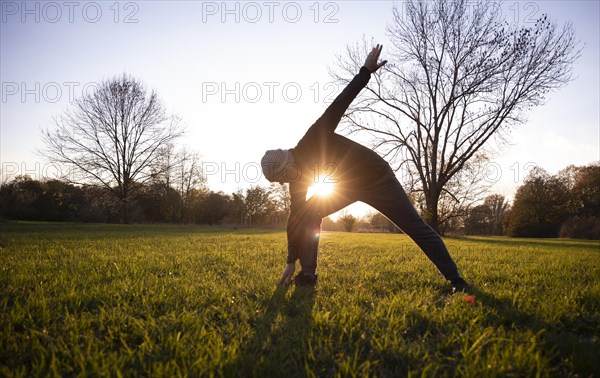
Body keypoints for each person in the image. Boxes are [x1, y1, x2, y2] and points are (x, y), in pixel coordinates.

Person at [260, 44, 469, 293]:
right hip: (346, 187)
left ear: (287, 161)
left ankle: (457, 280)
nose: (288, 183)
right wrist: (289, 261)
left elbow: (339, 104)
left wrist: (365, 72)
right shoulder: (296, 178)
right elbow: (295, 220)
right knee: (306, 213)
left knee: (415, 226)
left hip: (378, 178)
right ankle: (307, 275)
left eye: (285, 178)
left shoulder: (312, 139)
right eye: (283, 182)